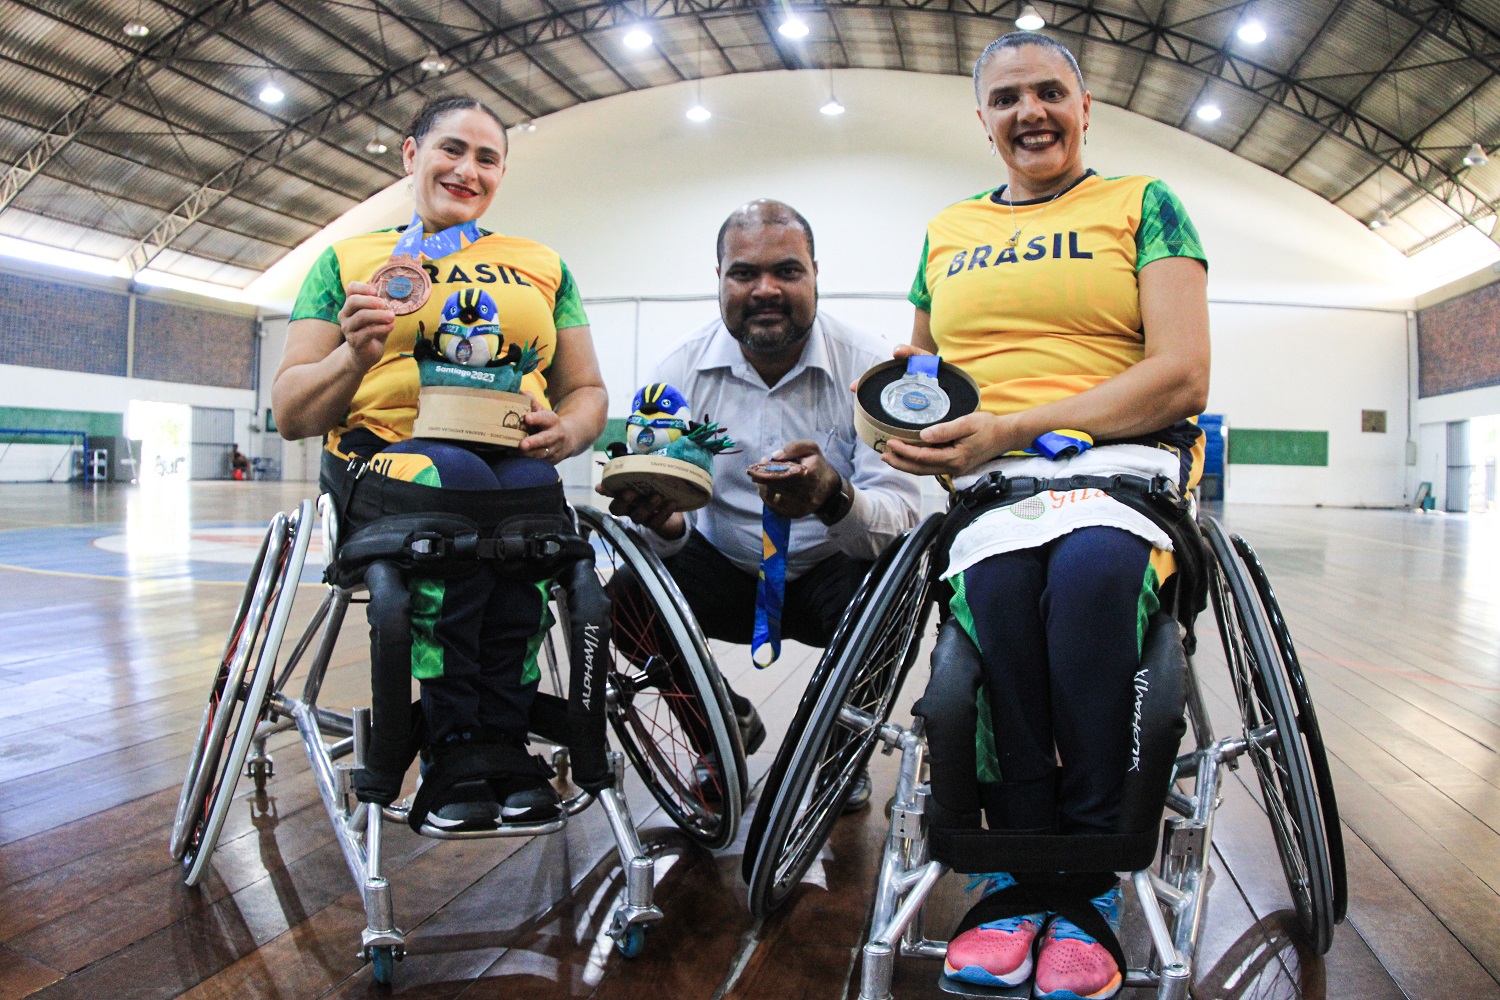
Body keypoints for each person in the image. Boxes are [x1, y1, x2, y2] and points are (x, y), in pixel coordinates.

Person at [888, 33, 1210, 999]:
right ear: (982, 119)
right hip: (995, 478)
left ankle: (1090, 881)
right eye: (1009, 98)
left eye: (1050, 93)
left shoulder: (1143, 205)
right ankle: (1018, 871)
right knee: (996, 596)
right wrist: (911, 436)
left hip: (1120, 459)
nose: (1031, 112)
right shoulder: (947, 229)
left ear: (1084, 105)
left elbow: (1184, 372)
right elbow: (922, 379)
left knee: (1092, 580)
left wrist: (1016, 425)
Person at [272, 96, 607, 830]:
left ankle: (504, 739)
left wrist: (569, 431)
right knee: (455, 486)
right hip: (388, 466)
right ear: (410, 155)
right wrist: (353, 355)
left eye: (488, 158)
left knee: (527, 491)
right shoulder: (351, 262)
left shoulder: (542, 265)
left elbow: (585, 391)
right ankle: (454, 742)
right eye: (452, 149)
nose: (468, 169)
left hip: (507, 461)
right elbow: (292, 412)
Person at [603, 200, 922, 810]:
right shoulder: (679, 375)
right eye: (744, 273)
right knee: (620, 600)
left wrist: (834, 497)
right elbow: (670, 535)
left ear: (816, 274)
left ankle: (839, 749)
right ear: (719, 279)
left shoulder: (869, 370)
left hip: (831, 570)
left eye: (787, 271)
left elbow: (902, 515)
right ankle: (717, 727)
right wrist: (666, 524)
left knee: (894, 601)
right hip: (727, 570)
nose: (765, 289)